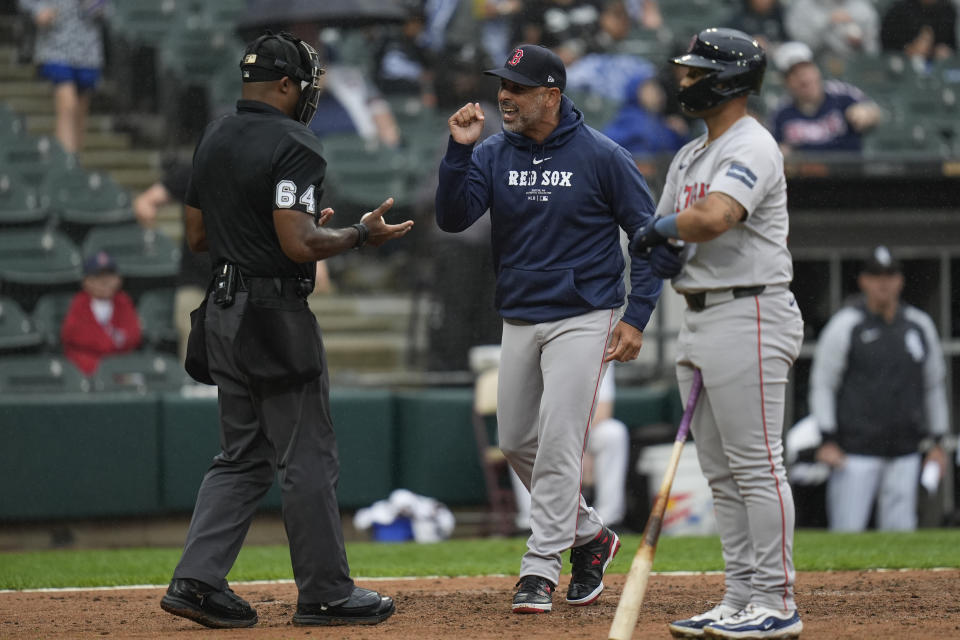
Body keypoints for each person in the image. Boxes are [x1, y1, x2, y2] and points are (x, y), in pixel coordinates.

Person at [159, 31, 412, 630]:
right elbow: (299, 243)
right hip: (271, 317)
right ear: (283, 85)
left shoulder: (215, 134)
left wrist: (280, 230)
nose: (307, 95)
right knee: (307, 458)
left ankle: (196, 581)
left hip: (219, 313)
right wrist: (357, 234)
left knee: (242, 457)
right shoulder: (296, 141)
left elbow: (198, 236)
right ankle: (325, 592)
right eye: (302, 84)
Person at [436, 43, 666, 614]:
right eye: (502, 86)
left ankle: (539, 569)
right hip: (519, 313)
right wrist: (457, 153)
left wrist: (636, 317)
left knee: (562, 444)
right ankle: (591, 536)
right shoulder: (491, 152)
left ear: (551, 95)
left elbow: (653, 242)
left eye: (517, 88)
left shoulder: (603, 155)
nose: (504, 97)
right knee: (516, 440)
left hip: (585, 314)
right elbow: (452, 217)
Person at [630, 28, 805, 639]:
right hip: (701, 314)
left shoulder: (753, 144)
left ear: (729, 80)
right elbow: (669, 231)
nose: (684, 79)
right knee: (722, 473)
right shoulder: (689, 155)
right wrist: (666, 246)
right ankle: (740, 596)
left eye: (696, 70)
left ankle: (778, 600)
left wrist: (666, 231)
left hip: (750, 311)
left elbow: (714, 216)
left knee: (757, 466)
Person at [808, 245, 949, 532]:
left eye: (889, 275)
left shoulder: (918, 325)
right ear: (863, 281)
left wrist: (938, 440)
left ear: (900, 280)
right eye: (875, 275)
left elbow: (933, 385)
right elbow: (823, 385)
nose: (883, 282)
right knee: (847, 533)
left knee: (901, 538)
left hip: (905, 449)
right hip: (854, 453)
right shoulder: (846, 325)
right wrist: (827, 437)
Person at [511, 365, 630, 530]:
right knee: (520, 436)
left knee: (613, 433)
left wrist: (580, 448)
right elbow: (528, 411)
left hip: (585, 432)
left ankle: (608, 521)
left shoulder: (599, 348)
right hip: (545, 431)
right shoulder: (536, 348)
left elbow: (603, 411)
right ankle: (532, 523)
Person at [17, 0, 106, 154]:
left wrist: (93, 4)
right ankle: (65, 164)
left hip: (87, 50)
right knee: (68, 105)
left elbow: (104, 10)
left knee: (80, 112)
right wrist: (39, 10)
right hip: (56, 46)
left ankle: (75, 163)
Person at [768, 40, 882, 156]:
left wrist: (867, 112)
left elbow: (874, 113)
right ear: (785, 82)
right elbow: (777, 148)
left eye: (806, 69)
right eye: (794, 73)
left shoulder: (842, 93)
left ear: (816, 70)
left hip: (849, 171)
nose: (803, 78)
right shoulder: (780, 112)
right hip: (806, 173)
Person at [61, 250, 142, 376]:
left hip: (120, 364)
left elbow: (133, 334)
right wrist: (110, 342)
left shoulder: (123, 301)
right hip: (86, 366)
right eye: (98, 276)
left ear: (118, 280)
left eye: (109, 276)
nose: (105, 281)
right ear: (86, 282)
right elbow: (72, 334)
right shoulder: (80, 303)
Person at [784, 0, 879, 60]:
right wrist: (827, 23)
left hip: (855, 66)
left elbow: (873, 50)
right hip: (816, 65)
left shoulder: (862, 7)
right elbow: (801, 47)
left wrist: (860, 43)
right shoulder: (801, 6)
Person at [880, 0, 957, 68]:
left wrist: (942, 51)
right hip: (902, 68)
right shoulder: (898, 10)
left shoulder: (948, 10)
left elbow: (952, 45)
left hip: (939, 69)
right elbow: (886, 48)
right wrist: (908, 50)